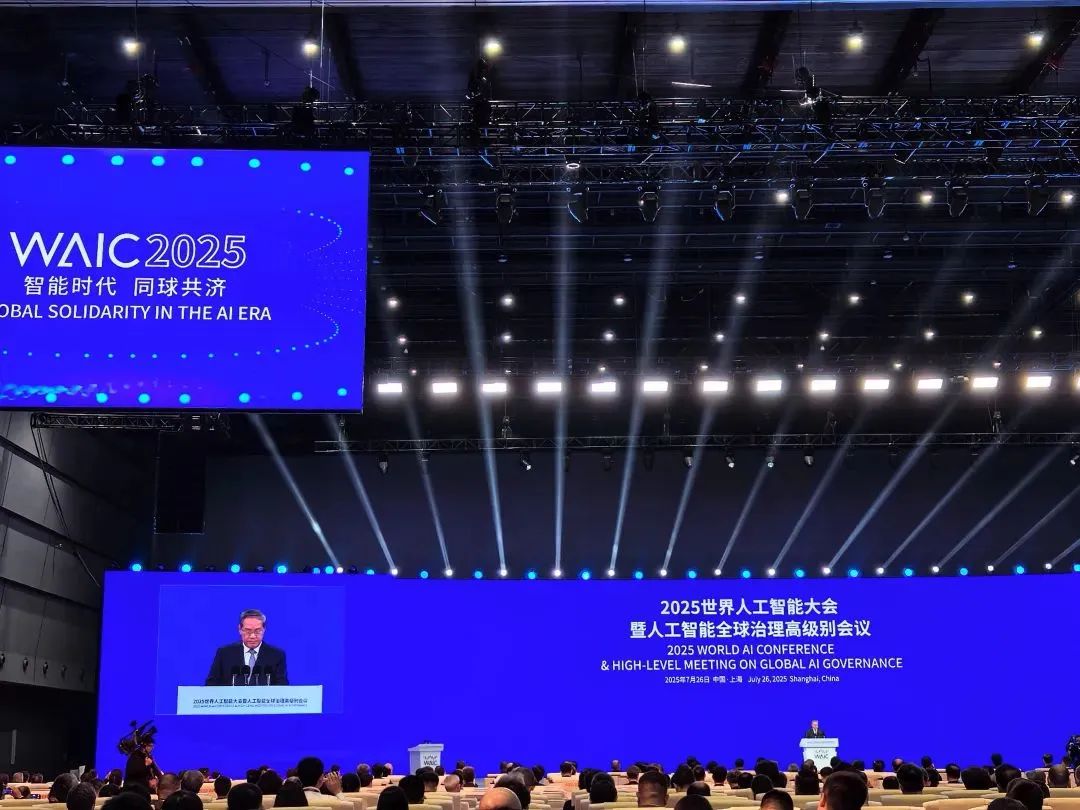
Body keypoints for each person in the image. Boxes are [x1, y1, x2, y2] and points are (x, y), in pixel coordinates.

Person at [206, 608, 289, 685]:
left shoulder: (276, 655)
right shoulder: (224, 653)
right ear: (240, 629)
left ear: (264, 629)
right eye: (248, 631)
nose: (252, 636)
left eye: (257, 631)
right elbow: (211, 684)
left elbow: (282, 687)